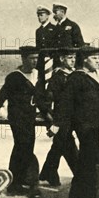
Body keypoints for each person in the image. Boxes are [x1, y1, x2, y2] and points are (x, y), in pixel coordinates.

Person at [0, 46, 46, 198]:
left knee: (21, 149)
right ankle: (32, 183)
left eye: (36, 58)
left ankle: (14, 183)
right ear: (23, 59)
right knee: (25, 148)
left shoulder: (37, 75)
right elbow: (2, 96)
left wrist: (48, 117)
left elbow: (40, 99)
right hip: (18, 118)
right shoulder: (14, 77)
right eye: (31, 58)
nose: (35, 61)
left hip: (30, 118)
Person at [54, 46, 99, 198]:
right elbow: (66, 102)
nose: (98, 60)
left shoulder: (90, 76)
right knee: (88, 159)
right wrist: (58, 124)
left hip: (93, 124)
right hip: (85, 125)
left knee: (89, 158)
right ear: (84, 59)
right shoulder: (76, 78)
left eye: (98, 57)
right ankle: (86, 195)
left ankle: (80, 194)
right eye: (94, 58)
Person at [38, 48, 79, 187]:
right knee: (65, 144)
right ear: (62, 59)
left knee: (61, 145)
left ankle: (49, 172)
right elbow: (49, 99)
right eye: (69, 58)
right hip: (62, 117)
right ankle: (79, 173)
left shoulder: (74, 74)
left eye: (74, 57)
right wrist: (53, 121)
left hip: (72, 115)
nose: (73, 60)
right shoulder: (58, 77)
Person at [35, 5, 56, 79]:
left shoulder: (54, 28)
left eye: (41, 15)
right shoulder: (38, 31)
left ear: (47, 16)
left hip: (51, 59)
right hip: (41, 60)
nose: (39, 17)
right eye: (38, 15)